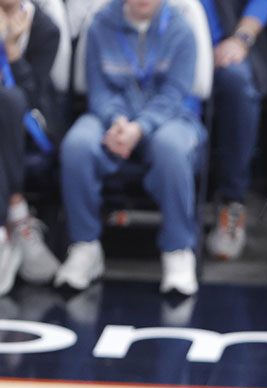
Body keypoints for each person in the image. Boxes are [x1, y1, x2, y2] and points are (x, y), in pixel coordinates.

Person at [55, 0, 207, 295]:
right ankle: (84, 246)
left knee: (171, 149)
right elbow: (98, 90)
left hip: (169, 117)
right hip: (112, 116)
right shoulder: (100, 24)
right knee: (77, 145)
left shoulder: (181, 28)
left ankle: (178, 250)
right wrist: (118, 121)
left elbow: (175, 93)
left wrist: (140, 127)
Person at [201, 0, 267, 260]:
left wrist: (241, 38)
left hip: (223, 45)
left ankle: (232, 201)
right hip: (158, 40)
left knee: (238, 84)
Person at [0, 0, 63, 296]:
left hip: (29, 125)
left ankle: (7, 226)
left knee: (9, 101)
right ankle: (16, 216)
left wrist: (12, 50)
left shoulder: (44, 27)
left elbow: (32, 95)